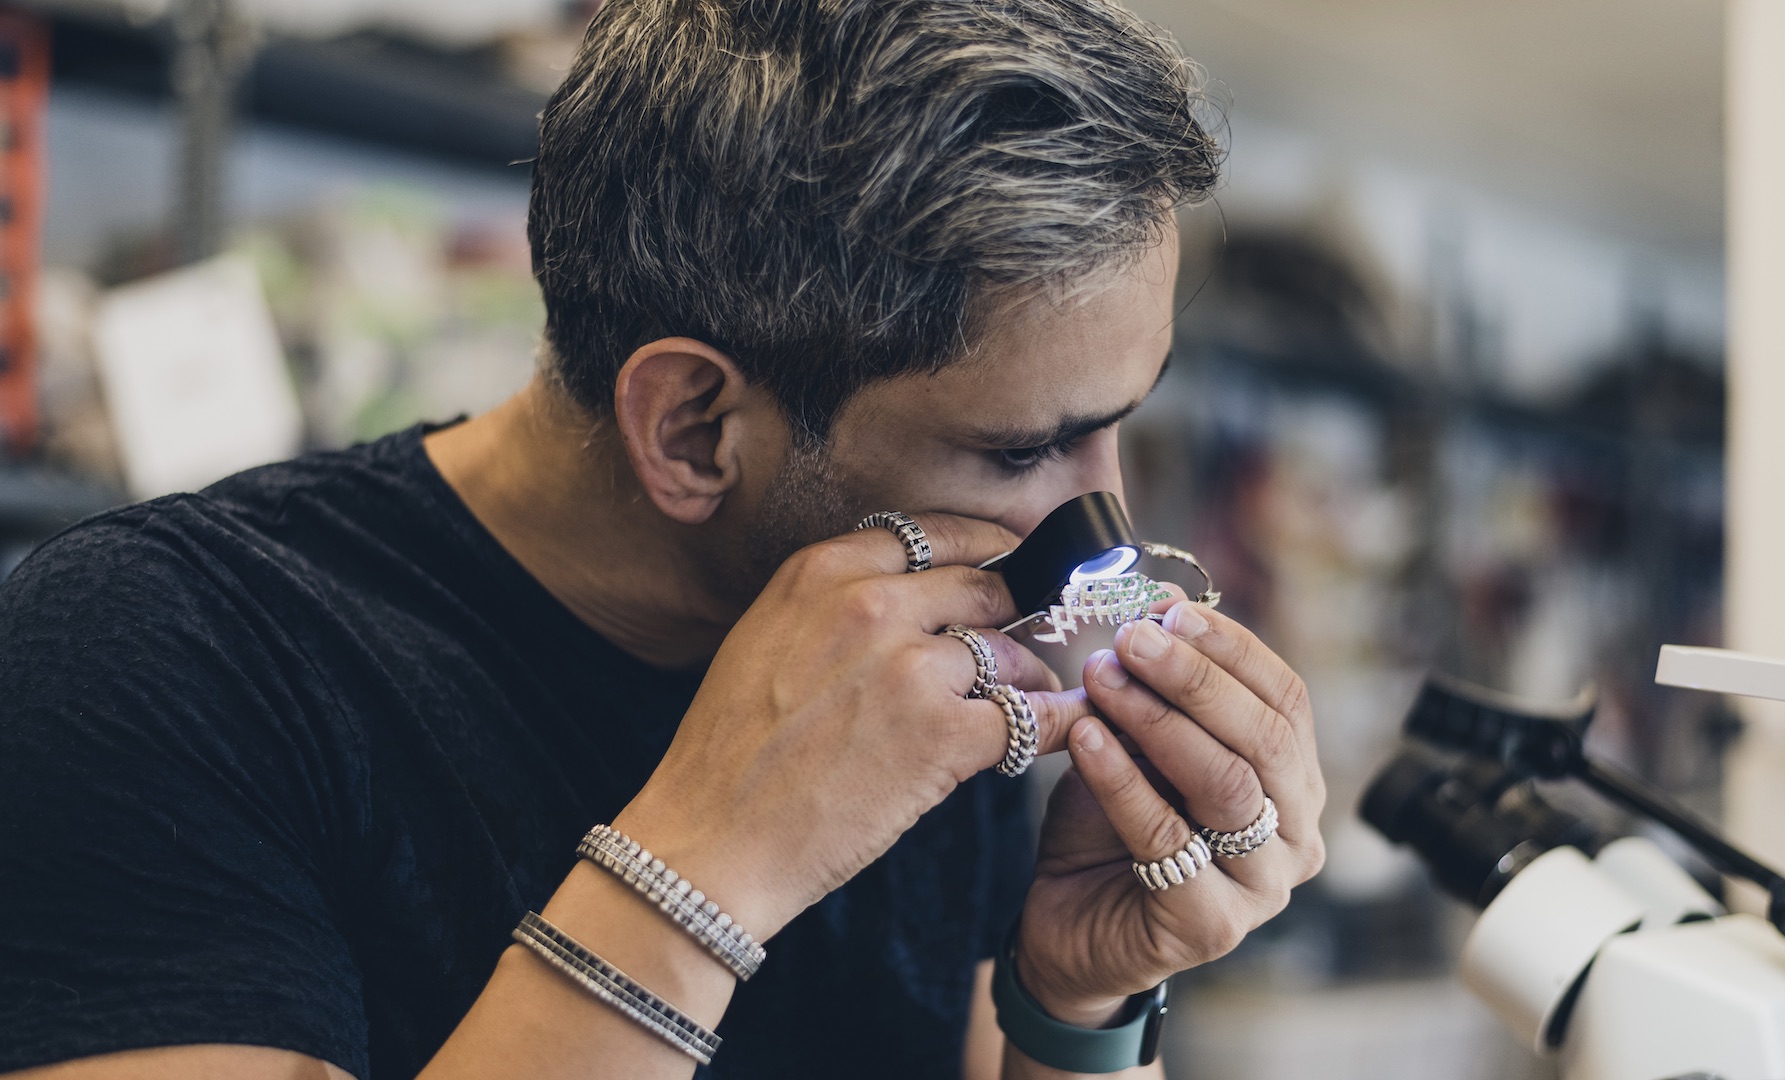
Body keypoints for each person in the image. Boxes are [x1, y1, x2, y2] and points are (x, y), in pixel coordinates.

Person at [0, 1, 1326, 1077]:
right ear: (694, 429)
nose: (1108, 528)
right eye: (1022, 448)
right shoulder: (152, 663)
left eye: (1116, 429)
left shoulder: (944, 654)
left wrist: (1082, 1001)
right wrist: (709, 866)